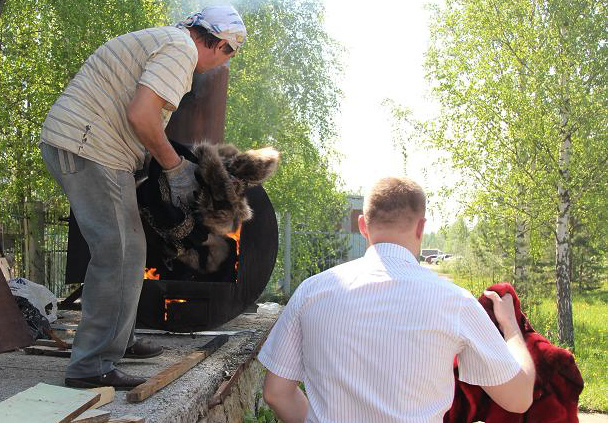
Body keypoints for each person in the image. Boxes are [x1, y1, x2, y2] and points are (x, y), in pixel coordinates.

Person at [39, 5, 247, 390]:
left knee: (127, 248)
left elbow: (138, 116)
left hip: (91, 146)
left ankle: (118, 338)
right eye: (227, 55)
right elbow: (141, 115)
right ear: (220, 44)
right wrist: (175, 170)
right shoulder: (180, 49)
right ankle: (92, 365)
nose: (221, 64)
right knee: (119, 251)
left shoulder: (164, 40)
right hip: (90, 147)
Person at [258, 177, 536, 423]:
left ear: (363, 226)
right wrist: (511, 328)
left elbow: (276, 393)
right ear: (421, 228)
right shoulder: (456, 303)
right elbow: (519, 398)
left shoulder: (311, 291)